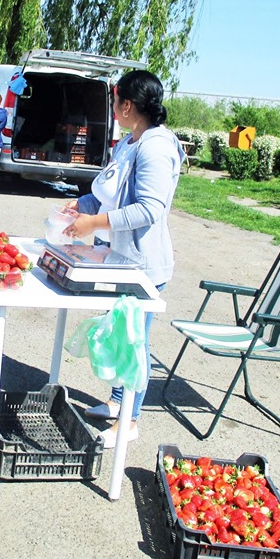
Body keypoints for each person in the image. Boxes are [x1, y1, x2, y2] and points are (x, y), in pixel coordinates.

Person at [62, 69, 185, 449]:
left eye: (114, 101)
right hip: (120, 258)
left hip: (144, 266)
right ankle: (118, 405)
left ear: (127, 104)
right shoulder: (129, 143)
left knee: (135, 344)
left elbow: (149, 208)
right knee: (121, 337)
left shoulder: (157, 147)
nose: (113, 108)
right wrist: (78, 206)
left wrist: (93, 223)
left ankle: (130, 420)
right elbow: (109, 194)